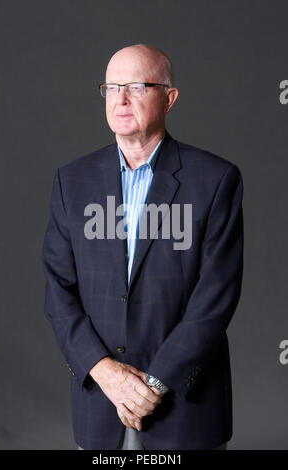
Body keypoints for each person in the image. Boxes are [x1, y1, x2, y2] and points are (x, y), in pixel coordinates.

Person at [41, 43, 243, 450]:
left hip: (185, 410)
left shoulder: (216, 180)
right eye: (112, 87)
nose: (121, 98)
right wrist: (105, 372)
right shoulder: (72, 182)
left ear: (169, 98)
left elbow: (215, 299)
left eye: (136, 85)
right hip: (100, 406)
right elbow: (58, 291)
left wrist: (152, 384)